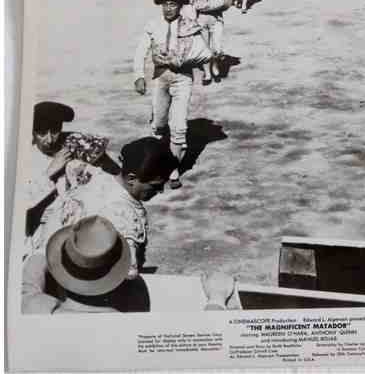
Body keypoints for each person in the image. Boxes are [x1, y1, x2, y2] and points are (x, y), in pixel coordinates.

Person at [22, 215, 243, 313]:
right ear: (118, 274)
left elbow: (28, 281)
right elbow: (209, 339)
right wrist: (216, 299)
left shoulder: (34, 308)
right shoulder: (130, 330)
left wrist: (63, 247)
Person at [31, 137, 178, 279]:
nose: (160, 191)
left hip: (57, 259)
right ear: (131, 178)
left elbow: (73, 167)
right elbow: (128, 274)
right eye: (156, 186)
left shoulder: (92, 175)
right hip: (90, 280)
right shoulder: (124, 218)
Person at [133, 0, 212, 189]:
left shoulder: (190, 25)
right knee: (159, 125)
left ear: (180, 7)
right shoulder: (153, 25)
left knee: (179, 127)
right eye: (165, 5)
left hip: (182, 79)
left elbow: (203, 52)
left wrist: (194, 64)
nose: (168, 8)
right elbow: (141, 50)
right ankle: (156, 163)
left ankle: (172, 170)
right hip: (160, 78)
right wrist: (138, 76)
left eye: (173, 5)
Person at [22, 102, 110, 242]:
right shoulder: (23, 158)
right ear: (32, 132)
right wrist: (49, 172)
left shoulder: (73, 145)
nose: (50, 139)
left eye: (55, 131)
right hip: (41, 234)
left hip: (77, 227)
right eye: (42, 133)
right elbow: (18, 204)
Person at [187, 0, 235, 83]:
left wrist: (221, 4)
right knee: (205, 48)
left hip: (216, 18)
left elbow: (229, 0)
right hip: (201, 19)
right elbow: (189, 5)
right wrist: (192, 19)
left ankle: (215, 66)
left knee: (217, 47)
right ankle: (208, 73)